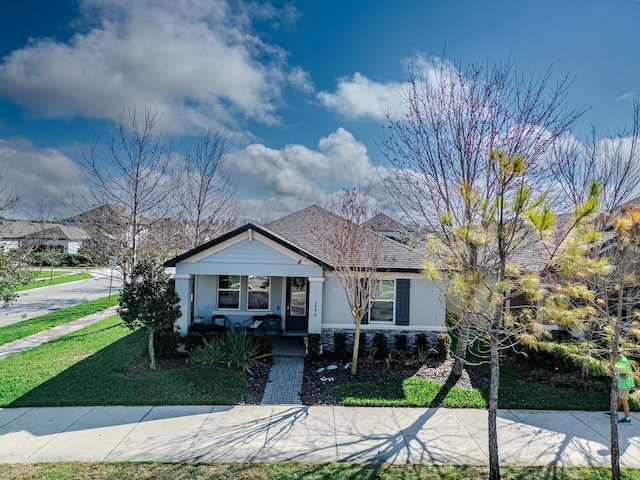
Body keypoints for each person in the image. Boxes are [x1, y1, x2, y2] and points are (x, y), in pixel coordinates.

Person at [604, 355, 635, 425]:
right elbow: (615, 369)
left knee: (624, 400)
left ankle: (627, 419)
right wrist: (610, 372)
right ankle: (614, 413)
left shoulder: (624, 361)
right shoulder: (617, 360)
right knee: (619, 399)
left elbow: (625, 375)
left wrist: (615, 374)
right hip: (621, 384)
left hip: (625, 384)